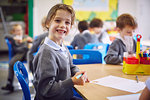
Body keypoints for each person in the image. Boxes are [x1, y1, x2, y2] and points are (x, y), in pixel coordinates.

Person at [32, 3, 89, 100]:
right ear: (48, 23)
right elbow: (46, 90)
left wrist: (78, 73)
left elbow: (71, 66)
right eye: (57, 20)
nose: (62, 25)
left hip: (65, 96)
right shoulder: (47, 53)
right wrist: (72, 81)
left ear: (70, 26)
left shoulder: (62, 46)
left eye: (67, 22)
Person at [1, 24, 33, 92]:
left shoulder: (25, 36)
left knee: (32, 59)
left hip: (26, 55)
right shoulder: (13, 38)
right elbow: (5, 35)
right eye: (17, 30)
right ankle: (9, 83)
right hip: (18, 54)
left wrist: (30, 40)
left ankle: (36, 79)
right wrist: (14, 37)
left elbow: (33, 42)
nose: (20, 32)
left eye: (20, 30)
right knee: (11, 63)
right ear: (14, 32)